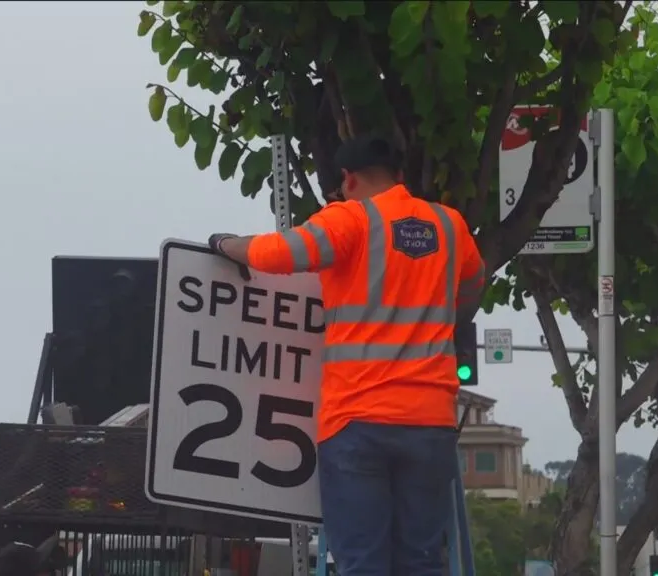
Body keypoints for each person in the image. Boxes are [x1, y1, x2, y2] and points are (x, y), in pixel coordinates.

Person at [207, 135, 485, 576]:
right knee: (423, 560)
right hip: (431, 421)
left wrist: (224, 244)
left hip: (359, 419)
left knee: (363, 563)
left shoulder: (351, 220)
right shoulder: (448, 226)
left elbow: (279, 253)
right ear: (399, 176)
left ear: (348, 179)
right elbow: (473, 282)